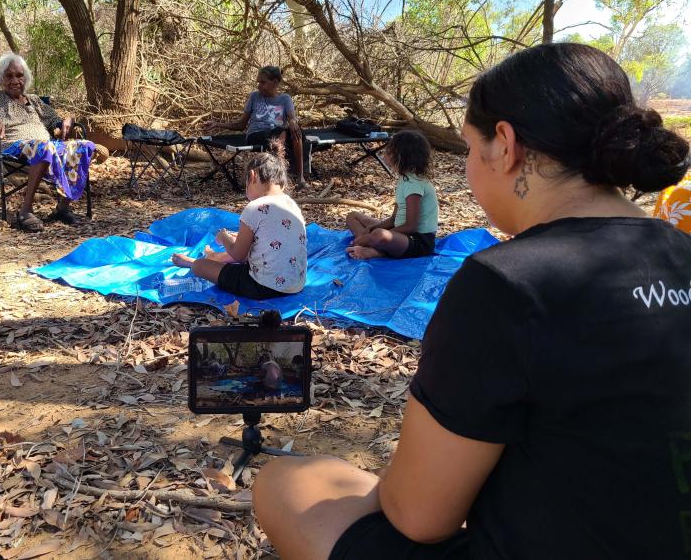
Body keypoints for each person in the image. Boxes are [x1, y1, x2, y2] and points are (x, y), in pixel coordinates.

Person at [251, 43, 691, 560]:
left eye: (466, 147)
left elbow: (420, 519)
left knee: (285, 481)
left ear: (504, 145)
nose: (466, 168)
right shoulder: (681, 248)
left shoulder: (505, 282)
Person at [0, 53, 95, 232]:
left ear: (26, 78)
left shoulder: (34, 100)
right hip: (13, 148)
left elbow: (56, 120)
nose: (15, 80)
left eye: (19, 75)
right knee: (44, 147)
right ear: (1, 79)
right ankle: (25, 211)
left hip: (45, 148)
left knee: (85, 146)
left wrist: (68, 119)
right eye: (9, 76)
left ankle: (62, 208)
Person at [171, 146, 307, 299]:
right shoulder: (292, 205)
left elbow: (239, 256)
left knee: (200, 266)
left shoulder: (255, 207)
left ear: (252, 176)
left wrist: (223, 237)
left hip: (261, 286)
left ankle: (193, 262)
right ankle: (214, 257)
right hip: (296, 285)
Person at [345, 130, 439, 259]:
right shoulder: (404, 179)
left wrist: (375, 234)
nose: (384, 156)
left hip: (418, 241)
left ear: (401, 156)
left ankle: (375, 251)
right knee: (353, 216)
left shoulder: (414, 184)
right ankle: (370, 244)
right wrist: (372, 228)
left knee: (380, 235)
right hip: (401, 232)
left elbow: (411, 226)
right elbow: (394, 219)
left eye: (388, 152)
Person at [209, 65, 307, 188]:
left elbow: (292, 118)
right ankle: (278, 173)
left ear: (275, 82)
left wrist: (293, 122)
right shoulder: (255, 97)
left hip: (279, 135)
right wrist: (218, 124)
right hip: (256, 134)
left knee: (296, 132)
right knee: (283, 132)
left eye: (263, 82)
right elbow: (241, 125)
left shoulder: (285, 99)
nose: (259, 86)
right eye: (258, 82)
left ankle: (300, 176)